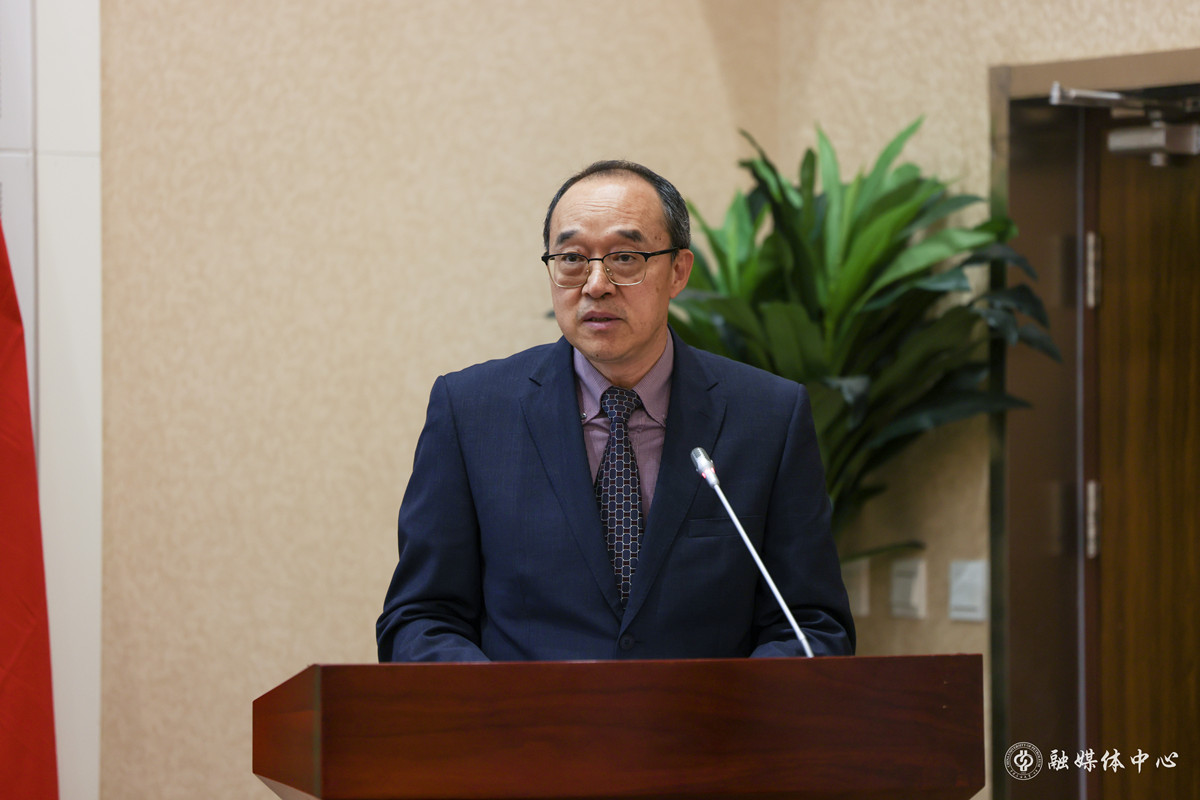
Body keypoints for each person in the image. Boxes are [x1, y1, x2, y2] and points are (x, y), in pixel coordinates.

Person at [376, 160, 854, 662]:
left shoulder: (768, 416)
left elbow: (811, 624)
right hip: (523, 714)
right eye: (571, 258)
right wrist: (499, 701)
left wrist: (735, 704)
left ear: (678, 271)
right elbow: (421, 618)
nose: (595, 284)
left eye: (626, 257)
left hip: (708, 714)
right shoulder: (471, 412)